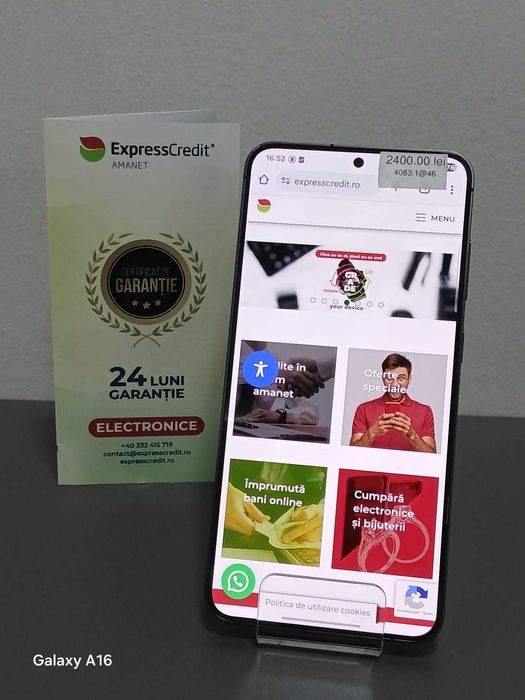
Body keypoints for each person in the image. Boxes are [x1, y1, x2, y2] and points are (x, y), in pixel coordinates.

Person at [350, 353, 436, 452]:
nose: (395, 385)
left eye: (401, 378)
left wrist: (411, 434)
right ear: (383, 378)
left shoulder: (425, 411)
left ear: (409, 379)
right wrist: (372, 432)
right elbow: (352, 453)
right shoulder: (363, 409)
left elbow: (432, 455)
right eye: (389, 378)